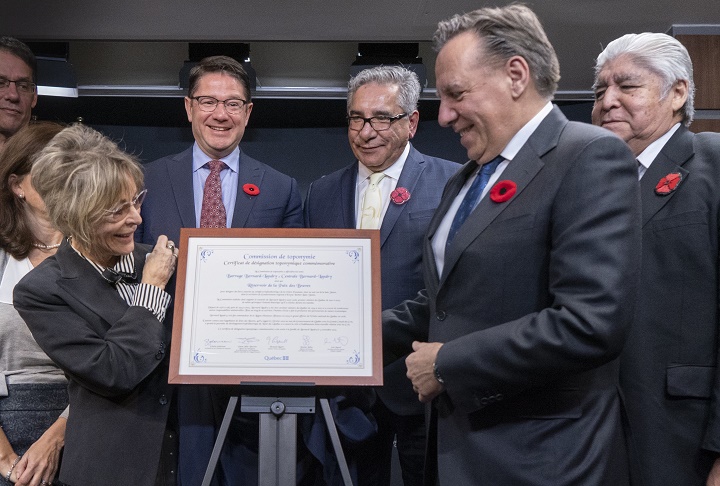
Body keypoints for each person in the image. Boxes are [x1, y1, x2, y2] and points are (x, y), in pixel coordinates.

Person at [382, 5, 642, 485]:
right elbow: (446, 303)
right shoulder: (464, 180)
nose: (444, 116)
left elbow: (591, 321)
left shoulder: (588, 155)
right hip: (459, 451)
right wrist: (346, 340)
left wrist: (446, 363)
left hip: (543, 460)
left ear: (516, 74)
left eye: (456, 94)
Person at [135, 55, 303, 485]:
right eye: (208, 101)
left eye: (233, 104)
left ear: (248, 113)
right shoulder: (145, 181)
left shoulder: (280, 188)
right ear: (189, 108)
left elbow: (291, 278)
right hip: (165, 368)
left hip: (253, 367)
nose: (220, 114)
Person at [303, 65, 459, 486]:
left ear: (411, 123)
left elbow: (457, 286)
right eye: (356, 117)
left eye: (382, 118)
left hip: (418, 381)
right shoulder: (321, 193)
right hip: (343, 390)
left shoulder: (452, 182)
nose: (366, 131)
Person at [14, 123, 178, 486]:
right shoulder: (40, 290)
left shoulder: (164, 259)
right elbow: (111, 372)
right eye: (116, 210)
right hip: (112, 468)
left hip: (192, 459)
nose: (135, 217)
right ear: (76, 215)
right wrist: (151, 289)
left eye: (136, 200)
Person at [592, 32, 720, 486]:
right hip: (591, 437)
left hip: (685, 436)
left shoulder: (713, 163)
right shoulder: (587, 185)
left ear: (678, 93)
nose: (608, 101)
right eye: (599, 90)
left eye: (627, 87)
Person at [0, 121, 67, 486]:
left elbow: (117, 365)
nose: (64, 180)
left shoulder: (100, 255)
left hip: (86, 426)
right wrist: (7, 460)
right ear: (17, 186)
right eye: (50, 169)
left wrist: (57, 436)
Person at [0, 38, 37, 151]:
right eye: (0, 83)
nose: (13, 95)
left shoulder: (51, 163)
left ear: (34, 97)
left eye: (23, 86)